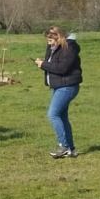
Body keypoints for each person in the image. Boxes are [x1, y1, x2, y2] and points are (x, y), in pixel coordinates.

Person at [36, 26, 83, 158]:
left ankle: (63, 146)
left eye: (51, 39)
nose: (48, 42)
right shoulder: (54, 48)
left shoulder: (69, 48)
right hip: (59, 86)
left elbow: (62, 68)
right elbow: (51, 65)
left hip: (67, 86)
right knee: (62, 117)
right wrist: (44, 60)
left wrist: (43, 64)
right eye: (47, 40)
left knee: (53, 114)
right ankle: (71, 149)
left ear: (59, 37)